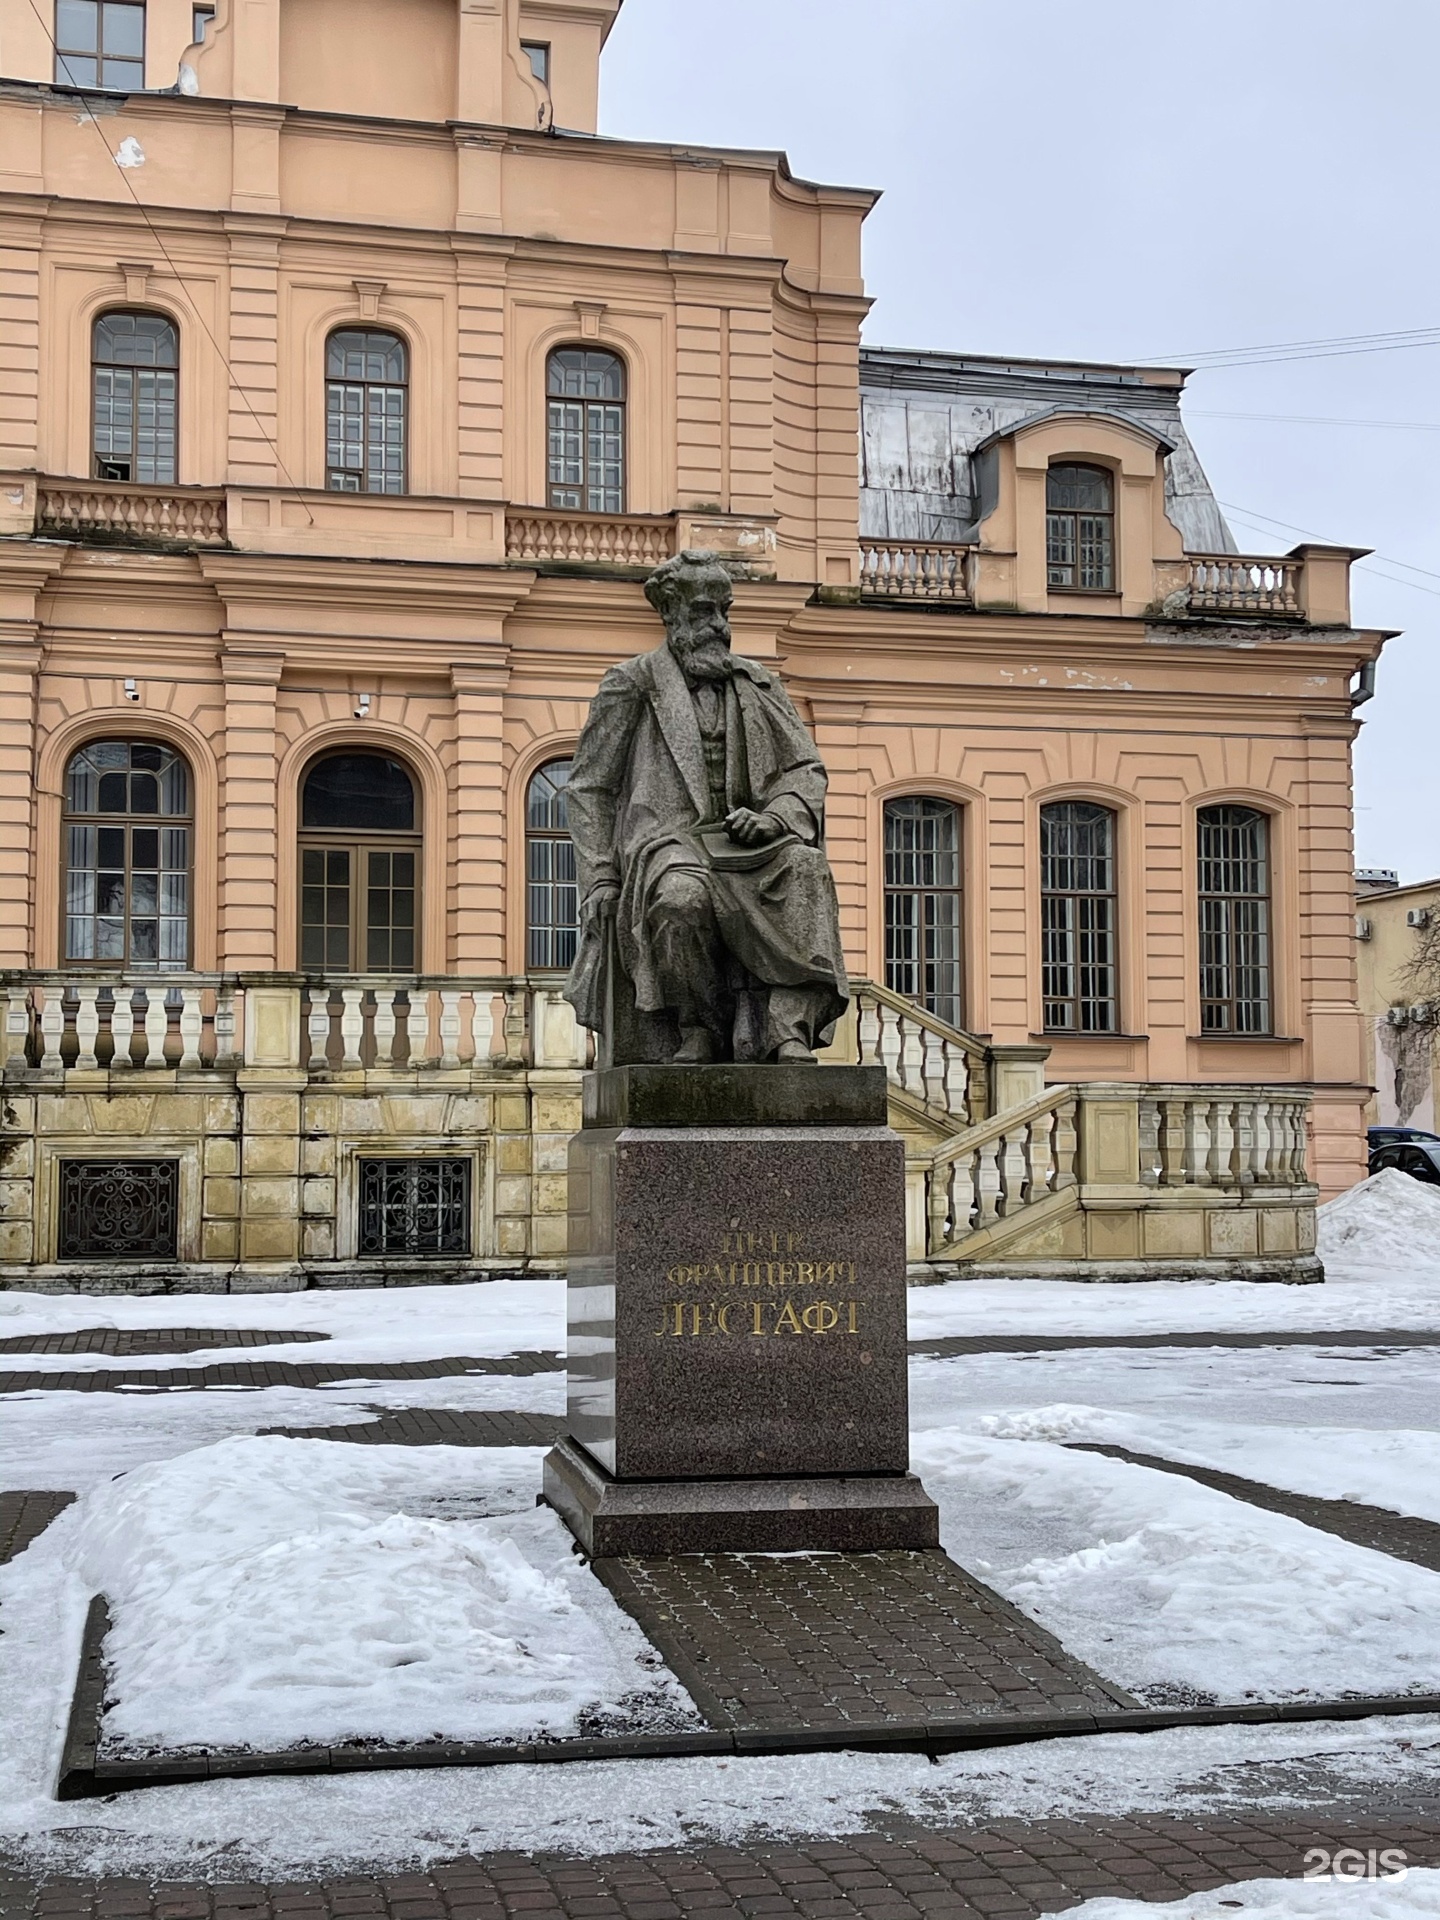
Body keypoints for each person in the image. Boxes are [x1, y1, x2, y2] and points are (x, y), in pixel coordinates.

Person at [564, 550, 849, 1065]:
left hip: (752, 846)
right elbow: (590, 788)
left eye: (724, 610)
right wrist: (602, 877)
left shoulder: (759, 685)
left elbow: (805, 769)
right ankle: (698, 1027)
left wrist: (775, 818)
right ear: (670, 615)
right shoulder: (631, 685)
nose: (718, 625)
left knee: (805, 869)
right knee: (679, 900)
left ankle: (786, 1031)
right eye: (703, 612)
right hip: (671, 843)